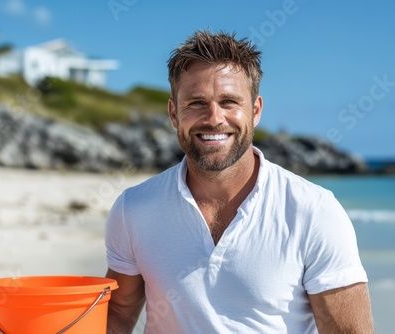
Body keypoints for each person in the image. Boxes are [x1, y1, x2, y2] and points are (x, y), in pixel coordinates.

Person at [105, 30, 374, 333]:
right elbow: (117, 316)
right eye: (196, 103)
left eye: (229, 101)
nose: (214, 118)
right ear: (173, 114)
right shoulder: (134, 209)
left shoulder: (314, 211)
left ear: (255, 110)